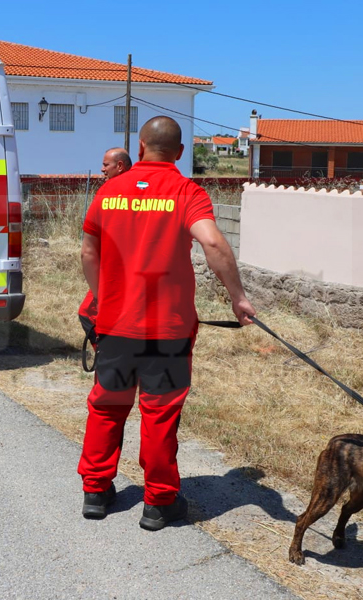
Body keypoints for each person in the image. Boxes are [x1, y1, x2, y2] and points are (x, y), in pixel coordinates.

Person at [78, 116, 255, 530]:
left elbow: (89, 251)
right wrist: (238, 298)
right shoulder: (186, 192)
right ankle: (158, 503)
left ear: (139, 147)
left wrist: (103, 298)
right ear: (179, 152)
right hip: (167, 331)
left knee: (107, 406)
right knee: (159, 413)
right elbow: (212, 241)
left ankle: (96, 492)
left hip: (115, 324)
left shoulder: (109, 190)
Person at [80, 148, 133, 327]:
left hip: (114, 269)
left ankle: (107, 352)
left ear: (119, 166)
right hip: (117, 266)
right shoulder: (136, 188)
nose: (102, 169)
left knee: (88, 313)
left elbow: (87, 249)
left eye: (105, 165)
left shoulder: (108, 191)